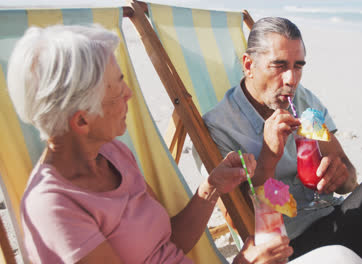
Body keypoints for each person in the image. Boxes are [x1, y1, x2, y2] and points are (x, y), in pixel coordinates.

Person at [8, 24, 295, 264]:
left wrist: (212, 187)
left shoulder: (112, 153)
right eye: (118, 88)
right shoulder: (54, 207)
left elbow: (168, 242)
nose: (129, 94)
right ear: (82, 121)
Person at [203, 17, 362, 263]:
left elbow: (351, 181)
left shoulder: (302, 102)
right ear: (249, 65)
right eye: (280, 65)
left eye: (298, 66)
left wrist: (341, 176)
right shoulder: (220, 129)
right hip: (294, 247)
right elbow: (245, 224)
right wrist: (269, 158)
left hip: (342, 224)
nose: (291, 79)